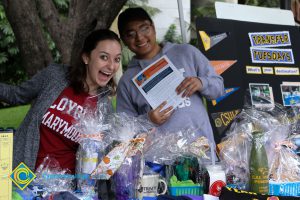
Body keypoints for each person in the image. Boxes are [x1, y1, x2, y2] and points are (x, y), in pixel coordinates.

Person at [0, 29, 122, 174]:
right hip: (23, 173)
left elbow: (103, 161)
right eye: (104, 57)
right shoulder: (54, 76)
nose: (111, 66)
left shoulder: (104, 109)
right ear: (86, 57)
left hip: (65, 185)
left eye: (117, 59)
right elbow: (16, 95)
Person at [116, 7, 224, 147]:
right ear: (124, 40)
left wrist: (201, 82)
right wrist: (147, 120)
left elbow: (219, 88)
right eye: (131, 34)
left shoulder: (186, 53)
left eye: (144, 28)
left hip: (202, 150)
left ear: (153, 27)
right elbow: (123, 128)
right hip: (158, 163)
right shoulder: (127, 80)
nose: (140, 37)